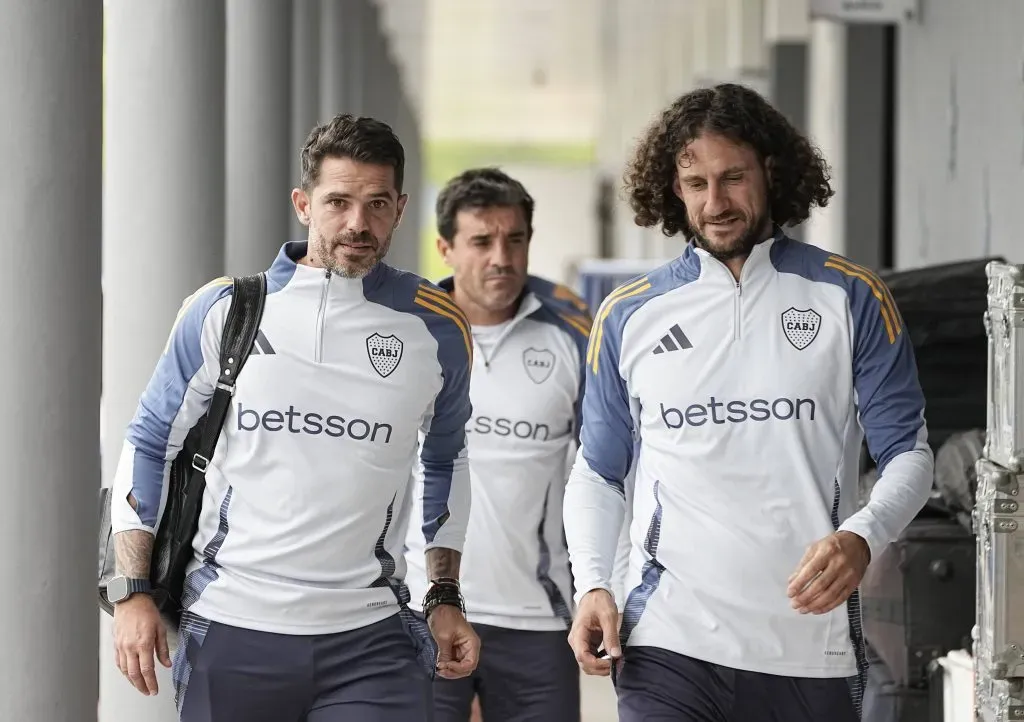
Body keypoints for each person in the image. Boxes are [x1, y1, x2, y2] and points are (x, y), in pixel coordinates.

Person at [563, 83, 934, 722]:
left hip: (807, 648)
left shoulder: (852, 296)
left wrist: (862, 536)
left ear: (771, 170)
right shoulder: (628, 314)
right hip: (667, 643)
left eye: (732, 177)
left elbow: (910, 454)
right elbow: (599, 472)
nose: (715, 202)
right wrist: (594, 583)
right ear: (673, 190)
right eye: (696, 183)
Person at [107, 113, 481, 722]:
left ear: (401, 207)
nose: (358, 224)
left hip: (372, 639)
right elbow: (150, 441)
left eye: (377, 203)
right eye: (339, 202)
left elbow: (445, 460)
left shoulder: (436, 328)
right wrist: (132, 591)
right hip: (230, 628)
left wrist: (442, 593)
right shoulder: (224, 311)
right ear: (304, 204)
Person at [403, 167, 592, 722]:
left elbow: (608, 477)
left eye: (515, 239)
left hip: (536, 618)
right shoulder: (404, 334)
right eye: (481, 241)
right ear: (445, 248)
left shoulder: (572, 340)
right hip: (418, 610)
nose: (501, 258)